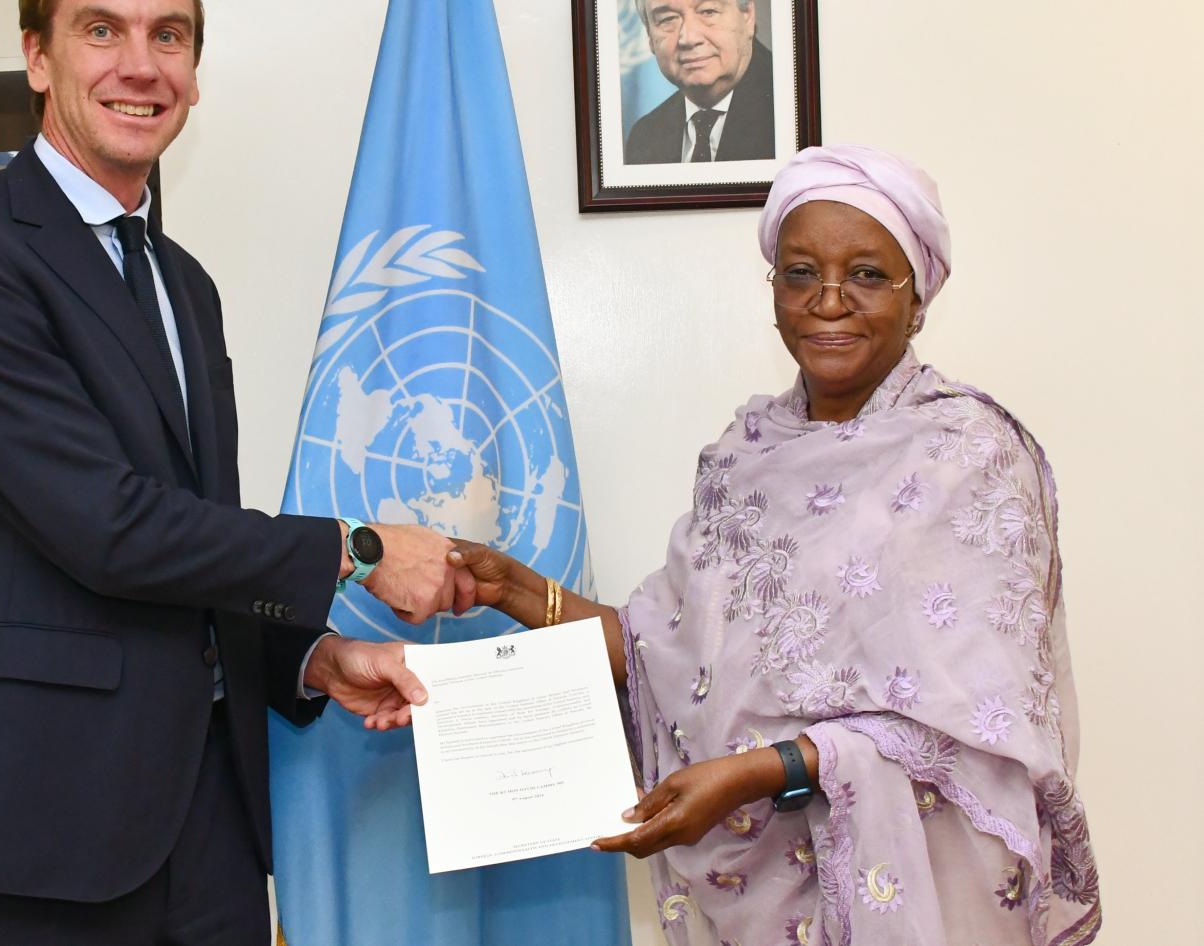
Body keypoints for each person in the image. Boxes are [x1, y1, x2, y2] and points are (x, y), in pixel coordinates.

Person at [0, 1, 469, 942]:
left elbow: (189, 534)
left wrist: (310, 657)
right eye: (102, 30)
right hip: (40, 827)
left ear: (194, 70)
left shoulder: (183, 282)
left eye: (169, 37)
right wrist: (356, 550)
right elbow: (106, 528)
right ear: (37, 56)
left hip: (208, 831)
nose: (142, 67)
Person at [449, 145, 1102, 944]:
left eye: (867, 274)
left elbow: (980, 732)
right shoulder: (744, 457)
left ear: (918, 297)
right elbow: (672, 661)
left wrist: (764, 770)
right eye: (800, 273)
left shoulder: (969, 455)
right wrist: (519, 592)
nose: (829, 301)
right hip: (759, 903)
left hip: (923, 893)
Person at [625, 0, 774, 165]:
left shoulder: (794, 112)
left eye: (708, 12)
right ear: (650, 37)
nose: (689, 38)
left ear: (747, 16)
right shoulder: (643, 138)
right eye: (667, 19)